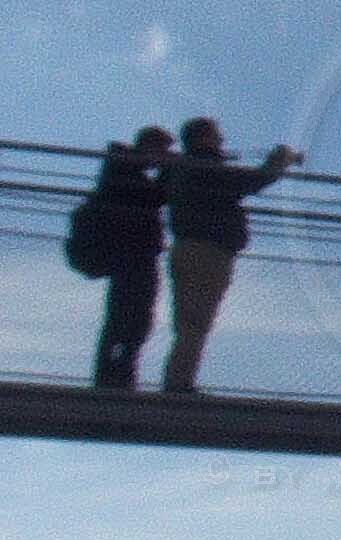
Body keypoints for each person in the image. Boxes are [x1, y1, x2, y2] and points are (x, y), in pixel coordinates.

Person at [160, 118, 300, 398]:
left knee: (188, 320)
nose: (222, 141)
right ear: (203, 138)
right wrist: (279, 163)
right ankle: (178, 384)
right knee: (197, 320)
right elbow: (249, 182)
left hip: (188, 248)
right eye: (216, 136)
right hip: (208, 251)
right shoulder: (204, 166)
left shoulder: (183, 168)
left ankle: (178, 380)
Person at [82, 128, 171, 391]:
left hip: (132, 255)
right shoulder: (124, 170)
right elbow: (153, 197)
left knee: (130, 319)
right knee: (127, 319)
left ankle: (116, 374)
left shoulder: (122, 168)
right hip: (131, 256)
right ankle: (114, 377)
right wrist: (168, 172)